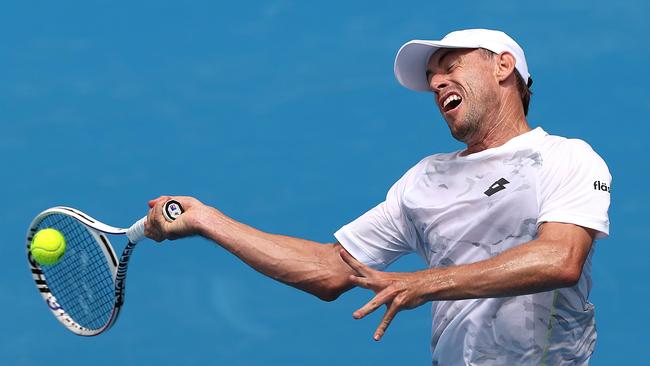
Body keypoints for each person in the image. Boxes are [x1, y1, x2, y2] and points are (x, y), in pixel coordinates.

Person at [145, 29, 611, 365]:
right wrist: (208, 220)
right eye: (431, 78)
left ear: (503, 65)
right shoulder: (425, 180)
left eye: (450, 67)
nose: (435, 84)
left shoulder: (565, 157)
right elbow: (330, 269)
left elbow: (559, 259)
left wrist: (424, 283)